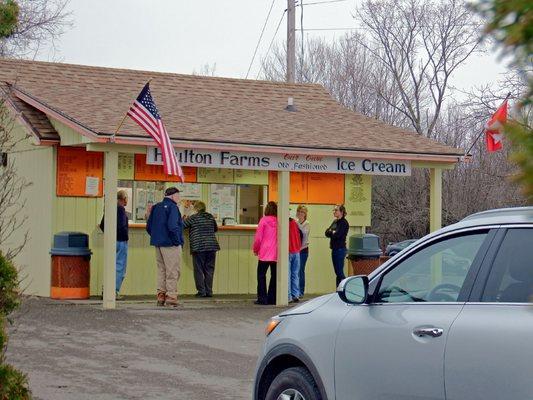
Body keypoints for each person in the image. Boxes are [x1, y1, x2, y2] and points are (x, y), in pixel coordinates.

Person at [146, 187, 184, 307]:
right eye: (178, 196)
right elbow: (173, 226)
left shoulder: (156, 207)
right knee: (173, 271)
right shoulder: (173, 207)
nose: (179, 198)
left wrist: (157, 236)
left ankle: (161, 295)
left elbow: (149, 226)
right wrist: (177, 241)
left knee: (161, 270)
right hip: (170, 244)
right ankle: (171, 297)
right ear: (173, 196)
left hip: (158, 243)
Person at [183, 201, 220, 298]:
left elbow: (182, 225)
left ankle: (201, 292)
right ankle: (209, 291)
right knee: (209, 269)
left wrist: (185, 216)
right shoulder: (210, 217)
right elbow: (215, 229)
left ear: (196, 209)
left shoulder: (194, 218)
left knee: (198, 269)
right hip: (212, 246)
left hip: (199, 246)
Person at [99, 190, 129, 299]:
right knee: (119, 267)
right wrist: (124, 235)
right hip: (120, 241)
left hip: (111, 241)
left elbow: (102, 225)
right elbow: (121, 225)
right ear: (123, 199)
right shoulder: (120, 209)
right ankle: (114, 291)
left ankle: (106, 290)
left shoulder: (109, 208)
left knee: (110, 266)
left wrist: (110, 235)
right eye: (126, 198)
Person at [253, 201, 278, 305]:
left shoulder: (263, 220)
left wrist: (255, 249)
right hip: (276, 253)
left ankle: (262, 298)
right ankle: (272, 298)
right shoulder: (279, 221)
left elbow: (258, 238)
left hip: (264, 252)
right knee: (275, 276)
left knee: (261, 275)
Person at [325, 204, 349, 287]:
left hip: (340, 250)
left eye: (336, 210)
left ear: (341, 212)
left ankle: (347, 287)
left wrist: (332, 232)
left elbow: (337, 235)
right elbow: (326, 232)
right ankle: (338, 290)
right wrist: (332, 232)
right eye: (334, 210)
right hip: (334, 249)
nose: (334, 212)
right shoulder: (335, 221)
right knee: (337, 272)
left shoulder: (344, 223)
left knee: (339, 272)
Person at [296, 205, 310, 298]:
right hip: (295, 249)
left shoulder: (307, 224)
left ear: (305, 214)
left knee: (301, 270)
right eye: (299, 211)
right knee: (295, 271)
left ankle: (301, 290)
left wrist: (299, 248)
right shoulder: (295, 222)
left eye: (302, 212)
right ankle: (295, 290)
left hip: (303, 249)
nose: (300, 213)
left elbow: (305, 238)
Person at [288, 217, 301, 303]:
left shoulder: (284, 223)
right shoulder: (294, 223)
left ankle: (288, 296)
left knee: (287, 274)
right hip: (297, 251)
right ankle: (295, 294)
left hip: (288, 251)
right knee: (295, 274)